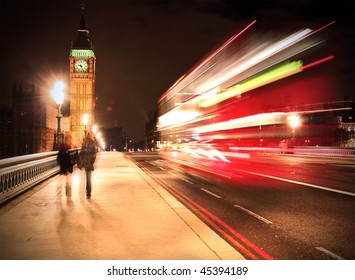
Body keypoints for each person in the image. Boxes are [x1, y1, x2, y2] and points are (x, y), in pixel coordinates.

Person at [80, 132, 97, 198]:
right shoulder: (92, 143)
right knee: (89, 177)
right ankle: (89, 191)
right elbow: (94, 153)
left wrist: (83, 161)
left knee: (87, 177)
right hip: (89, 162)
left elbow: (81, 153)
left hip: (86, 162)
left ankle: (87, 190)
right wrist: (92, 161)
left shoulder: (84, 143)